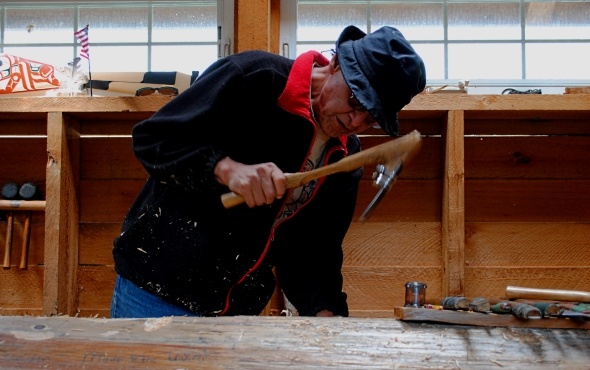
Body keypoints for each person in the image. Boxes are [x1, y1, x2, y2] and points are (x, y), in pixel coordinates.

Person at [110, 25, 426, 318]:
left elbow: (314, 252)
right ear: (336, 65)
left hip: (237, 313)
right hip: (155, 291)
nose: (356, 121)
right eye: (355, 100)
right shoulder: (253, 78)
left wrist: (325, 316)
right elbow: (154, 139)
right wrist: (226, 169)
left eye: (371, 118)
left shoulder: (344, 157)